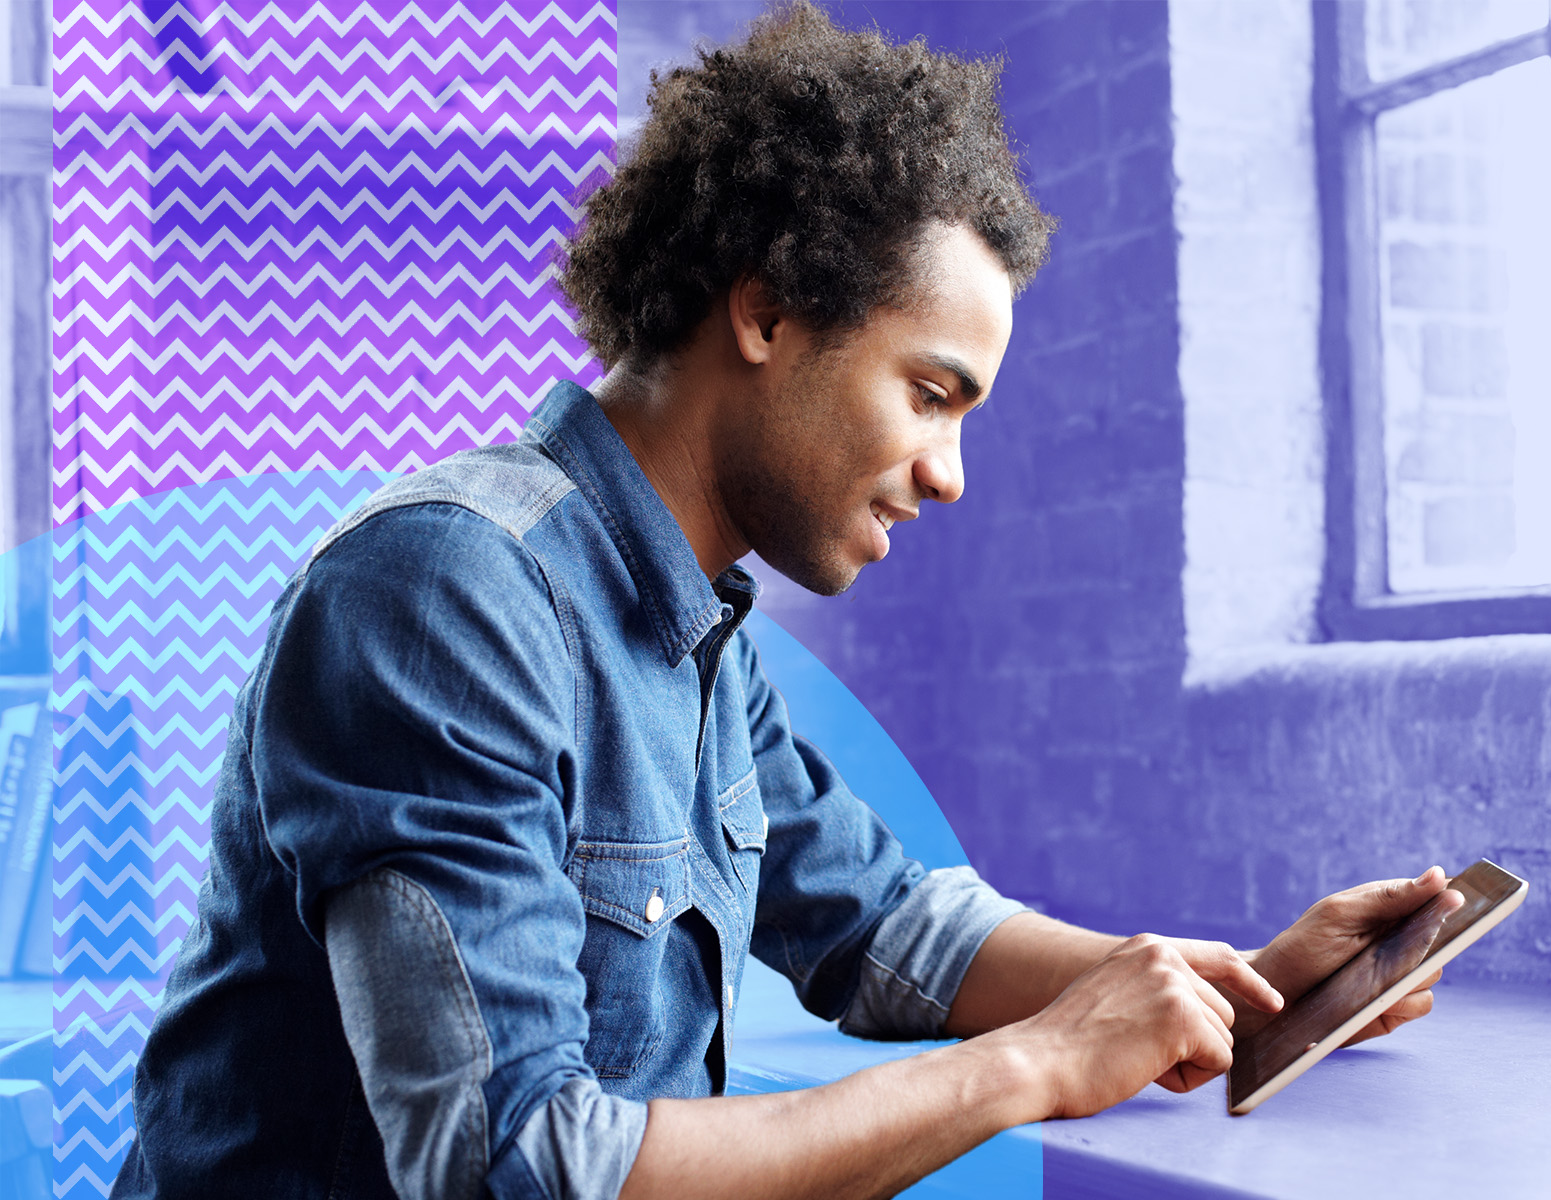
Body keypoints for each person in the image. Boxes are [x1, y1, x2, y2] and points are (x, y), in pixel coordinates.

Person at [114, 6, 1459, 1198]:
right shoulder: (439, 602)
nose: (950, 473)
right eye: (930, 393)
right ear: (766, 313)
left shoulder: (695, 623)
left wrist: (1237, 987)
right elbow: (513, 1162)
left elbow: (883, 926)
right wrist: (1034, 1067)